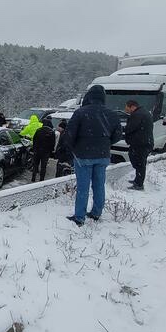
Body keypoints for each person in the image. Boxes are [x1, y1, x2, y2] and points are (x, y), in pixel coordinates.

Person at [65, 85, 122, 226]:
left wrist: (72, 148)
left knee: (83, 187)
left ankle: (79, 217)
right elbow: (118, 135)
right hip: (103, 155)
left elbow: (69, 134)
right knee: (99, 185)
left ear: (88, 96)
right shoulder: (112, 114)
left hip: (83, 155)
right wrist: (105, 143)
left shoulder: (81, 112)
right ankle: (96, 213)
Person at [124, 100, 154, 190]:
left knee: (139, 163)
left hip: (140, 143)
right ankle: (138, 180)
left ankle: (139, 184)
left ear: (132, 107)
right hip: (144, 142)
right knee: (140, 162)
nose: (126, 111)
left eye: (127, 108)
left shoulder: (137, 115)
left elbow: (130, 128)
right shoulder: (144, 112)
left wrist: (125, 130)